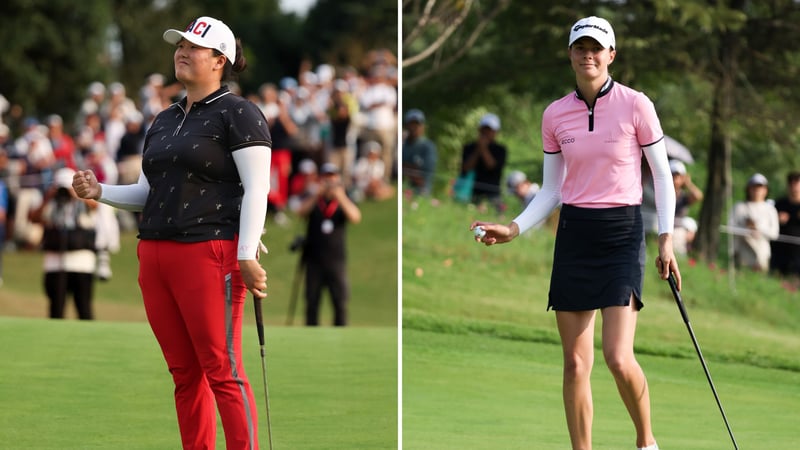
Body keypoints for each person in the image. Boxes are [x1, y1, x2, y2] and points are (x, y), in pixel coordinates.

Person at [470, 16, 680, 450]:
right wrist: (513, 228)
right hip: (575, 236)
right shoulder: (555, 114)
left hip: (622, 234)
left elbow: (661, 176)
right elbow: (551, 189)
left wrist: (666, 237)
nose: (588, 54)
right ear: (570, 54)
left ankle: (646, 442)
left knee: (619, 358)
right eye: (580, 47)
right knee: (574, 364)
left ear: (611, 55)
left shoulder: (636, 104)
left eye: (597, 48)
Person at [72, 16, 270, 450]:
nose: (183, 51)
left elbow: (258, 187)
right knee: (184, 373)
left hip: (210, 252)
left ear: (221, 60)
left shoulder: (238, 112)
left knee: (222, 369)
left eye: (195, 46)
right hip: (156, 255)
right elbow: (148, 191)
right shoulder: (164, 118)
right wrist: (101, 191)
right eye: (180, 44)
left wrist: (246, 253)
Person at [297, 162, 361, 326]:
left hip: (336, 260)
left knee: (340, 302)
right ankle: (311, 338)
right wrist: (316, 195)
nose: (329, 181)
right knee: (312, 303)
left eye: (332, 177)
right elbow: (300, 212)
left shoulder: (343, 201)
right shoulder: (313, 199)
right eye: (326, 177)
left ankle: (342, 337)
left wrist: (340, 196)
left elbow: (355, 217)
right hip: (314, 260)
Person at [30, 168, 98, 319]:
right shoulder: (51, 204)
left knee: (84, 308)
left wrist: (77, 195)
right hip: (54, 262)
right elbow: (34, 218)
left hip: (82, 262)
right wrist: (49, 197)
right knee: (56, 308)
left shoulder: (84, 204)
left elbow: (96, 207)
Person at [729, 173, 779, 272]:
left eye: (760, 187)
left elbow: (774, 234)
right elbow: (730, 228)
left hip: (762, 254)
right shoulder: (739, 207)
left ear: (765, 190)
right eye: (754, 187)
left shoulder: (770, 209)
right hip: (742, 253)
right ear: (748, 189)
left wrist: (757, 228)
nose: (756, 190)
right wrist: (746, 228)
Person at [460, 113, 507, 210]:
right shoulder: (469, 147)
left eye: (490, 130)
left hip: (493, 194)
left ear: (496, 132)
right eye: (485, 129)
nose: (486, 132)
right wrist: (478, 150)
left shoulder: (500, 150)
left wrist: (483, 149)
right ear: (480, 129)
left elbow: (492, 166)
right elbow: (466, 168)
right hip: (472, 193)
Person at [669, 160, 703, 254]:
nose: (675, 178)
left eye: (678, 175)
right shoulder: (662, 192)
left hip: (678, 231)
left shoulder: (683, 196)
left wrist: (688, 183)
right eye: (673, 175)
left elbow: (698, 196)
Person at [401, 109, 437, 196]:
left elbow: (424, 177)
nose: (414, 127)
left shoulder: (428, 147)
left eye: (417, 124)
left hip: (420, 191)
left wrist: (405, 168)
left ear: (422, 127)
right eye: (411, 124)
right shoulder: (402, 144)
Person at [771, 171, 800, 277]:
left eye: (796, 183)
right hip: (780, 250)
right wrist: (776, 219)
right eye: (791, 183)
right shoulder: (780, 203)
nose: (794, 186)